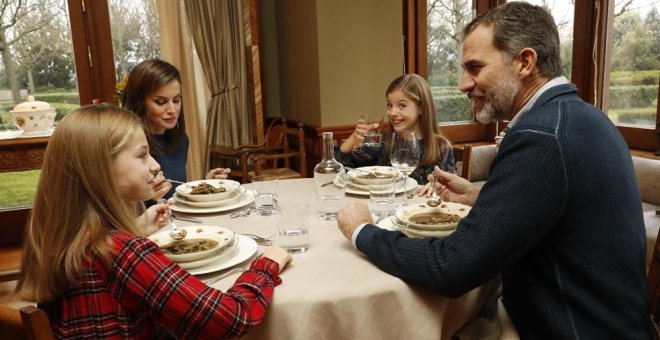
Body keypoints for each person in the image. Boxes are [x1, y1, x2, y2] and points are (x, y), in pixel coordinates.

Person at [336, 2, 651, 338]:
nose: (463, 84)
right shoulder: (587, 117)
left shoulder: (540, 136)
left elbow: (452, 269)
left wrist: (363, 231)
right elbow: (558, 209)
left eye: (475, 68)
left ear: (525, 62)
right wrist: (482, 196)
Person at [15, 105, 292, 338]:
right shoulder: (122, 253)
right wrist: (267, 265)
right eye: (141, 155)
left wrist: (135, 229)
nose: (156, 165)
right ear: (98, 169)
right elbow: (230, 317)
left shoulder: (60, 237)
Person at [122, 58, 231, 201]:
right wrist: (149, 197)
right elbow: (120, 209)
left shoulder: (181, 141)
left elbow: (174, 193)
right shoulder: (127, 146)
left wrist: (205, 184)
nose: (173, 110)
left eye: (176, 100)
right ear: (139, 102)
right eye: (160, 102)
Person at [335, 74, 454, 185]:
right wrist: (355, 136)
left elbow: (447, 192)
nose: (392, 113)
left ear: (421, 108)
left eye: (402, 105)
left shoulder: (441, 148)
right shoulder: (385, 141)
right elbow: (344, 170)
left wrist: (437, 188)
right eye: (389, 105)